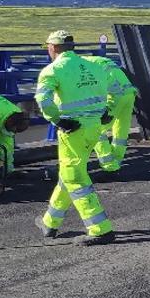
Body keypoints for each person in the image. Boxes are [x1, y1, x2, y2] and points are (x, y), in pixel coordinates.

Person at [34, 30, 115, 245]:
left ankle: (100, 229)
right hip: (95, 127)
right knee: (68, 173)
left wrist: (57, 120)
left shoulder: (52, 70)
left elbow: (43, 100)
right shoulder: (94, 66)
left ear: (53, 47)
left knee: (74, 177)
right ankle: (50, 222)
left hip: (73, 130)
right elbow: (109, 92)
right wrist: (104, 112)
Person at [84, 55, 138, 172]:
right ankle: (117, 160)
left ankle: (108, 164)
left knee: (96, 128)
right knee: (121, 130)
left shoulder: (81, 67)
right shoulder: (96, 60)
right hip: (129, 93)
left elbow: (91, 88)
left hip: (115, 95)